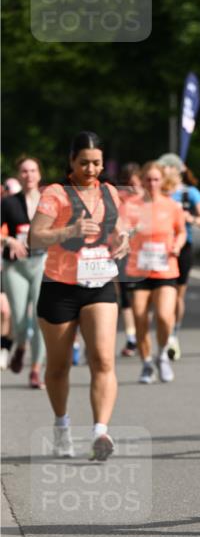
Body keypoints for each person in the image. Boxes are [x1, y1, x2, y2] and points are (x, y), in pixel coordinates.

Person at [30, 131, 129, 460]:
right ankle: (61, 426)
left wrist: (123, 240)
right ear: (71, 161)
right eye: (84, 163)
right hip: (60, 286)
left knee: (103, 359)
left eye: (97, 163)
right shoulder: (55, 193)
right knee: (59, 367)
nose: (91, 169)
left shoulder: (109, 191)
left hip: (99, 283)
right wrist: (69, 231)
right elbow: (35, 237)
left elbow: (119, 228)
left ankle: (100, 432)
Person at [123, 161, 186, 384]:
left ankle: (162, 355)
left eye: (156, 179)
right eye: (148, 179)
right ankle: (147, 363)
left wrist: (177, 245)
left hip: (165, 269)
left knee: (164, 317)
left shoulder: (172, 206)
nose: (152, 183)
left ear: (162, 181)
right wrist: (129, 233)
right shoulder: (131, 205)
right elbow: (120, 231)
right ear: (142, 180)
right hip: (139, 270)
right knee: (140, 318)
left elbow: (181, 232)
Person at [157, 154, 200, 360]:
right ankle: (162, 332)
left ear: (176, 170)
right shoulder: (158, 191)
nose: (163, 173)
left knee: (177, 295)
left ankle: (173, 335)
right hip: (159, 248)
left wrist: (189, 218)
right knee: (161, 295)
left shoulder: (190, 193)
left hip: (182, 248)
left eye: (165, 169)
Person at [1, 155, 48, 387]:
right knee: (19, 319)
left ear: (39, 174)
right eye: (24, 171)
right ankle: (20, 345)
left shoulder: (49, 202)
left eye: (33, 170)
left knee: (41, 318)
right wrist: (9, 240)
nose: (29, 175)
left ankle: (36, 369)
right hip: (16, 266)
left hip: (42, 263)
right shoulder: (8, 203)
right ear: (19, 176)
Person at [116, 162, 143, 356]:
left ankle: (141, 334)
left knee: (141, 298)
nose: (131, 188)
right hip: (123, 252)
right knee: (125, 296)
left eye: (134, 183)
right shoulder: (120, 198)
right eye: (128, 184)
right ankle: (132, 338)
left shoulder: (147, 199)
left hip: (143, 254)